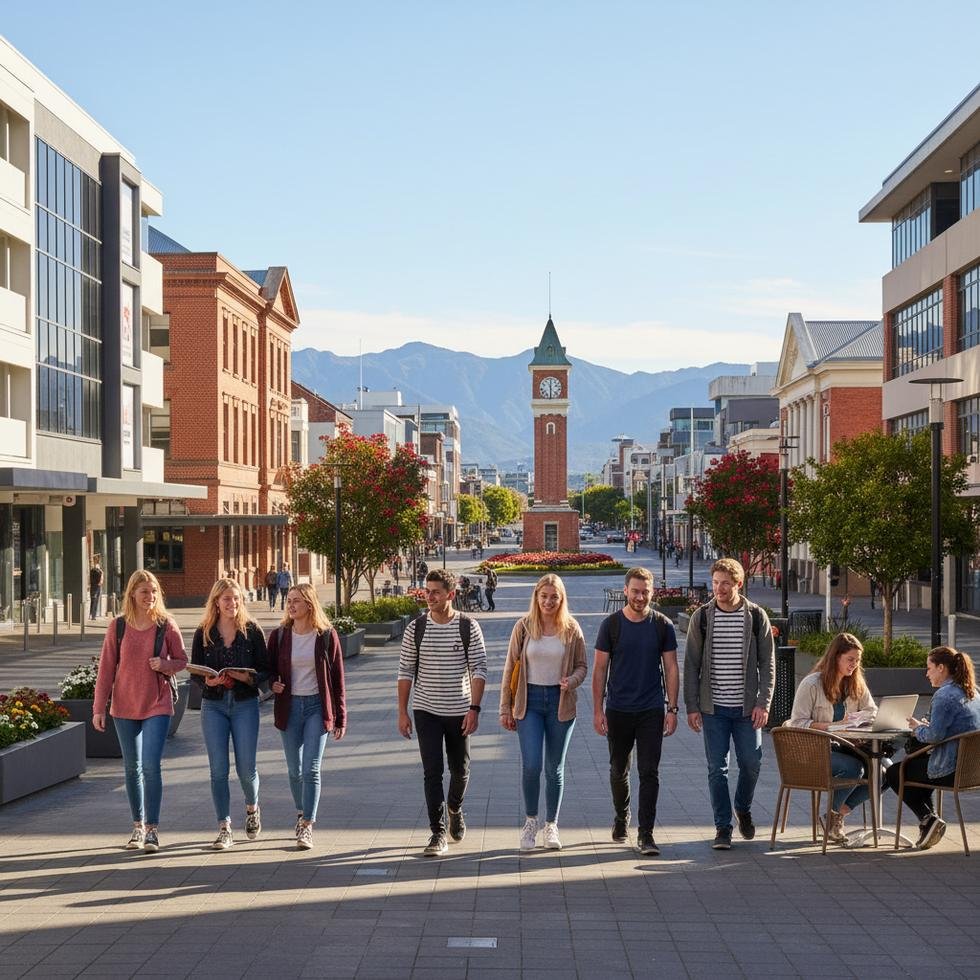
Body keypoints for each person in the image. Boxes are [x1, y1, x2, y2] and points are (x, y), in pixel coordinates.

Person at [93, 570, 187, 853]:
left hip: (157, 704)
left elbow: (183, 660)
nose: (151, 596)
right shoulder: (118, 626)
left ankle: (152, 831)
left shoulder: (166, 625)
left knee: (150, 766)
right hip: (123, 705)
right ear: (132, 594)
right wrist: (100, 708)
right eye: (145, 591)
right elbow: (106, 668)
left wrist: (165, 664)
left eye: (154, 591)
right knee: (131, 769)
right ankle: (137, 825)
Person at [684, 557, 775, 850]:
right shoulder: (703, 617)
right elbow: (691, 664)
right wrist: (692, 706)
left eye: (725, 583)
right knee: (716, 769)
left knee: (752, 763)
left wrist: (764, 702)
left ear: (738, 584)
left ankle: (742, 807)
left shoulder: (756, 616)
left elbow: (767, 663)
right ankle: (723, 827)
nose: (719, 589)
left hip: (747, 709)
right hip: (714, 709)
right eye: (715, 583)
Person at [397, 569, 488, 856]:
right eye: (427, 590)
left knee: (460, 769)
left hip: (459, 710)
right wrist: (402, 711)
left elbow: (479, 669)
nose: (430, 596)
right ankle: (437, 833)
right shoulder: (416, 628)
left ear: (451, 594)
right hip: (426, 709)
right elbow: (405, 671)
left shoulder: (468, 626)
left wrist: (474, 708)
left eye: (436, 592)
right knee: (431, 771)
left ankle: (455, 808)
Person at [592, 567, 679, 856]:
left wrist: (673, 708)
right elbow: (600, 669)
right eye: (635, 591)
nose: (640, 597)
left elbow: (671, 668)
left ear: (652, 593)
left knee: (649, 772)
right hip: (618, 709)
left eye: (645, 592)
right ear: (625, 591)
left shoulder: (662, 625)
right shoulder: (611, 626)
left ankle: (646, 834)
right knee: (619, 769)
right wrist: (597, 710)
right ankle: (621, 815)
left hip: (651, 709)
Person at [499, 574, 587, 850]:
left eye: (554, 597)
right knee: (532, 765)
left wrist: (571, 680)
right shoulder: (524, 627)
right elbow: (509, 667)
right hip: (529, 701)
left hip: (560, 704)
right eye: (544, 596)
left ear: (562, 599)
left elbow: (583, 666)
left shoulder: (571, 629)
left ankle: (552, 825)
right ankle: (530, 822)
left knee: (554, 769)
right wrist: (505, 707)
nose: (548, 601)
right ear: (536, 597)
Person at [191, 578, 269, 850]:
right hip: (213, 705)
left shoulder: (252, 631)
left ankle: (252, 808)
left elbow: (265, 670)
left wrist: (246, 677)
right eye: (226, 598)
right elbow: (196, 672)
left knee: (246, 769)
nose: (232, 603)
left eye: (236, 598)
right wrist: (207, 681)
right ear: (216, 601)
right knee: (218, 771)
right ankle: (224, 827)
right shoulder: (204, 632)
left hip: (244, 704)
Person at [268, 584, 347, 850]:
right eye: (289, 601)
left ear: (310, 605)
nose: (290, 605)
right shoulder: (279, 636)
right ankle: (301, 811)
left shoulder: (326, 636)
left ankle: (307, 826)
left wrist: (340, 717)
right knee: (294, 771)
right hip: (289, 708)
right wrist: (273, 685)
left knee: (310, 768)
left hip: (316, 707)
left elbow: (337, 679)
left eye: (296, 601)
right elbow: (267, 671)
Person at [884, 646, 980, 850]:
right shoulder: (973, 692)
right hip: (972, 770)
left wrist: (918, 729)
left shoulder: (944, 695)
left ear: (941, 668)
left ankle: (927, 819)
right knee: (917, 765)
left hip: (950, 769)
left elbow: (934, 736)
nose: (926, 673)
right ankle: (929, 822)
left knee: (894, 772)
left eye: (929, 668)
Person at [786, 632, 876, 843]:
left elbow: (872, 710)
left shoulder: (856, 683)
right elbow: (796, 723)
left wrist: (859, 719)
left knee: (885, 771)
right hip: (814, 750)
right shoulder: (812, 684)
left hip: (846, 747)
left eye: (857, 660)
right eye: (850, 659)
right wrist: (834, 727)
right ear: (836, 657)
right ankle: (832, 819)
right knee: (855, 768)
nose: (854, 665)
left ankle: (834, 816)